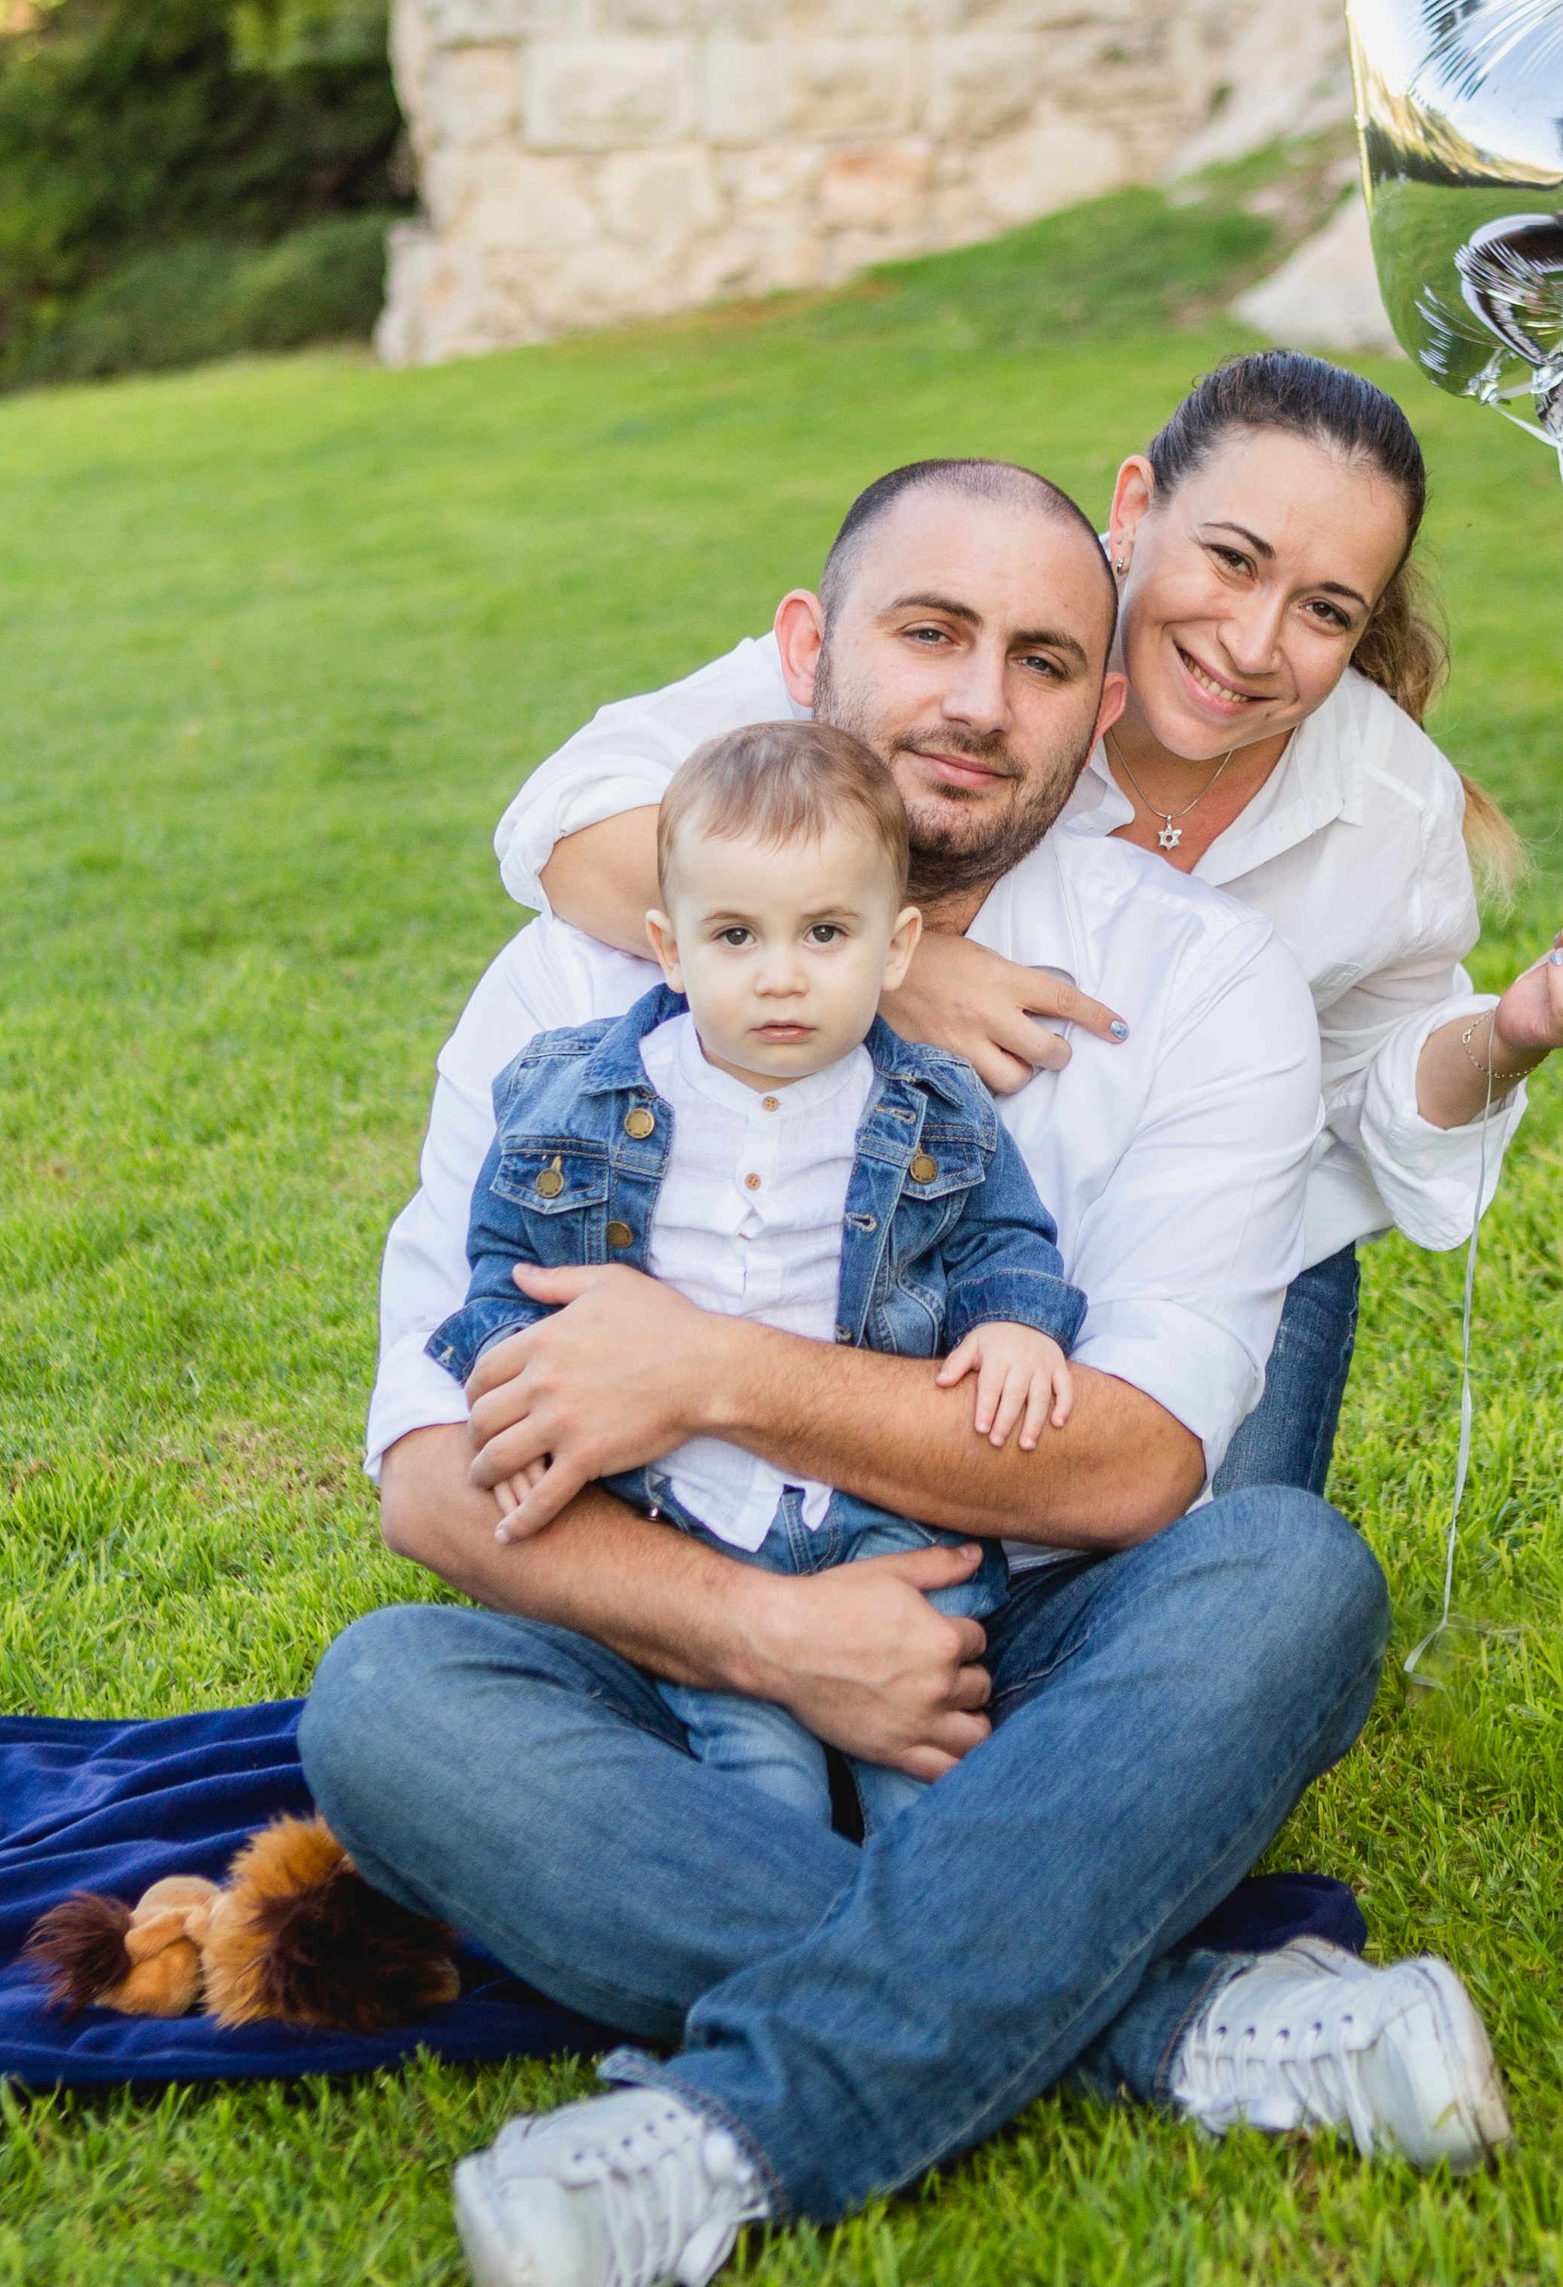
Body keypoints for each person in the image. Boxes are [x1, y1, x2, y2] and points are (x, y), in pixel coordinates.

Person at [301, 456, 1512, 2287]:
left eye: (1040, 659)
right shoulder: (579, 973)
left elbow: (1130, 1462)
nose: (975, 701)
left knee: (1283, 1575)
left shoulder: (1195, 982)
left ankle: (719, 2142)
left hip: (1032, 1631)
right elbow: (438, 1482)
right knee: (388, 1701)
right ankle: (1170, 2018)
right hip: (667, 1635)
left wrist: (708, 1368)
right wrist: (769, 1634)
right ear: (803, 650)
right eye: (926, 635)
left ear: (1098, 706)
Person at [498, 351, 1563, 1504]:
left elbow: (1379, 1078)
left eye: (1322, 611)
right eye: (1231, 559)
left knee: (1222, 1577)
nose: (1253, 645)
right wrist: (901, 970)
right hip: (914, 1204)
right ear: (1136, 509)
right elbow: (566, 823)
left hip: (1217, 1231)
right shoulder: (986, 645)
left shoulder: (1387, 805)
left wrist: (1511, 1032)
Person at [429, 718, 1086, 1833]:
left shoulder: (930, 1105)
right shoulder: (579, 1097)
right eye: (735, 935)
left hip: (883, 1520)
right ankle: (790, 1928)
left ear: (896, 947)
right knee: (759, 1786)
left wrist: (1016, 1323)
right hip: (689, 1520)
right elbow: (505, 1259)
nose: (780, 978)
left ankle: (935, 1923)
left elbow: (1000, 1236)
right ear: (670, 946)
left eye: (825, 932)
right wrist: (510, 1363)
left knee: (932, 1779)